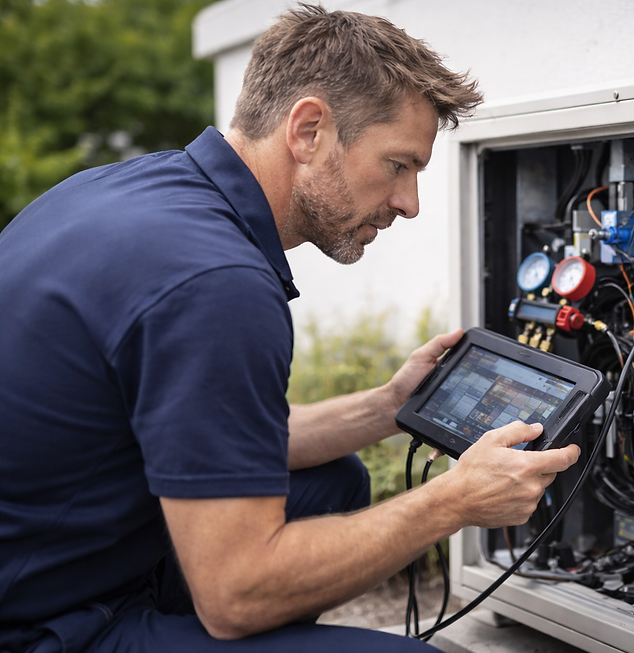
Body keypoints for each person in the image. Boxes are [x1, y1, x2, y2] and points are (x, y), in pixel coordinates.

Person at [0, 5, 580, 652]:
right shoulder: (215, 281)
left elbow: (218, 433)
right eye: (398, 165)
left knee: (336, 480)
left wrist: (390, 405)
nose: (410, 203)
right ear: (308, 131)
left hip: (50, 549)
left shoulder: (145, 191)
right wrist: (454, 500)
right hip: (39, 622)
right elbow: (233, 594)